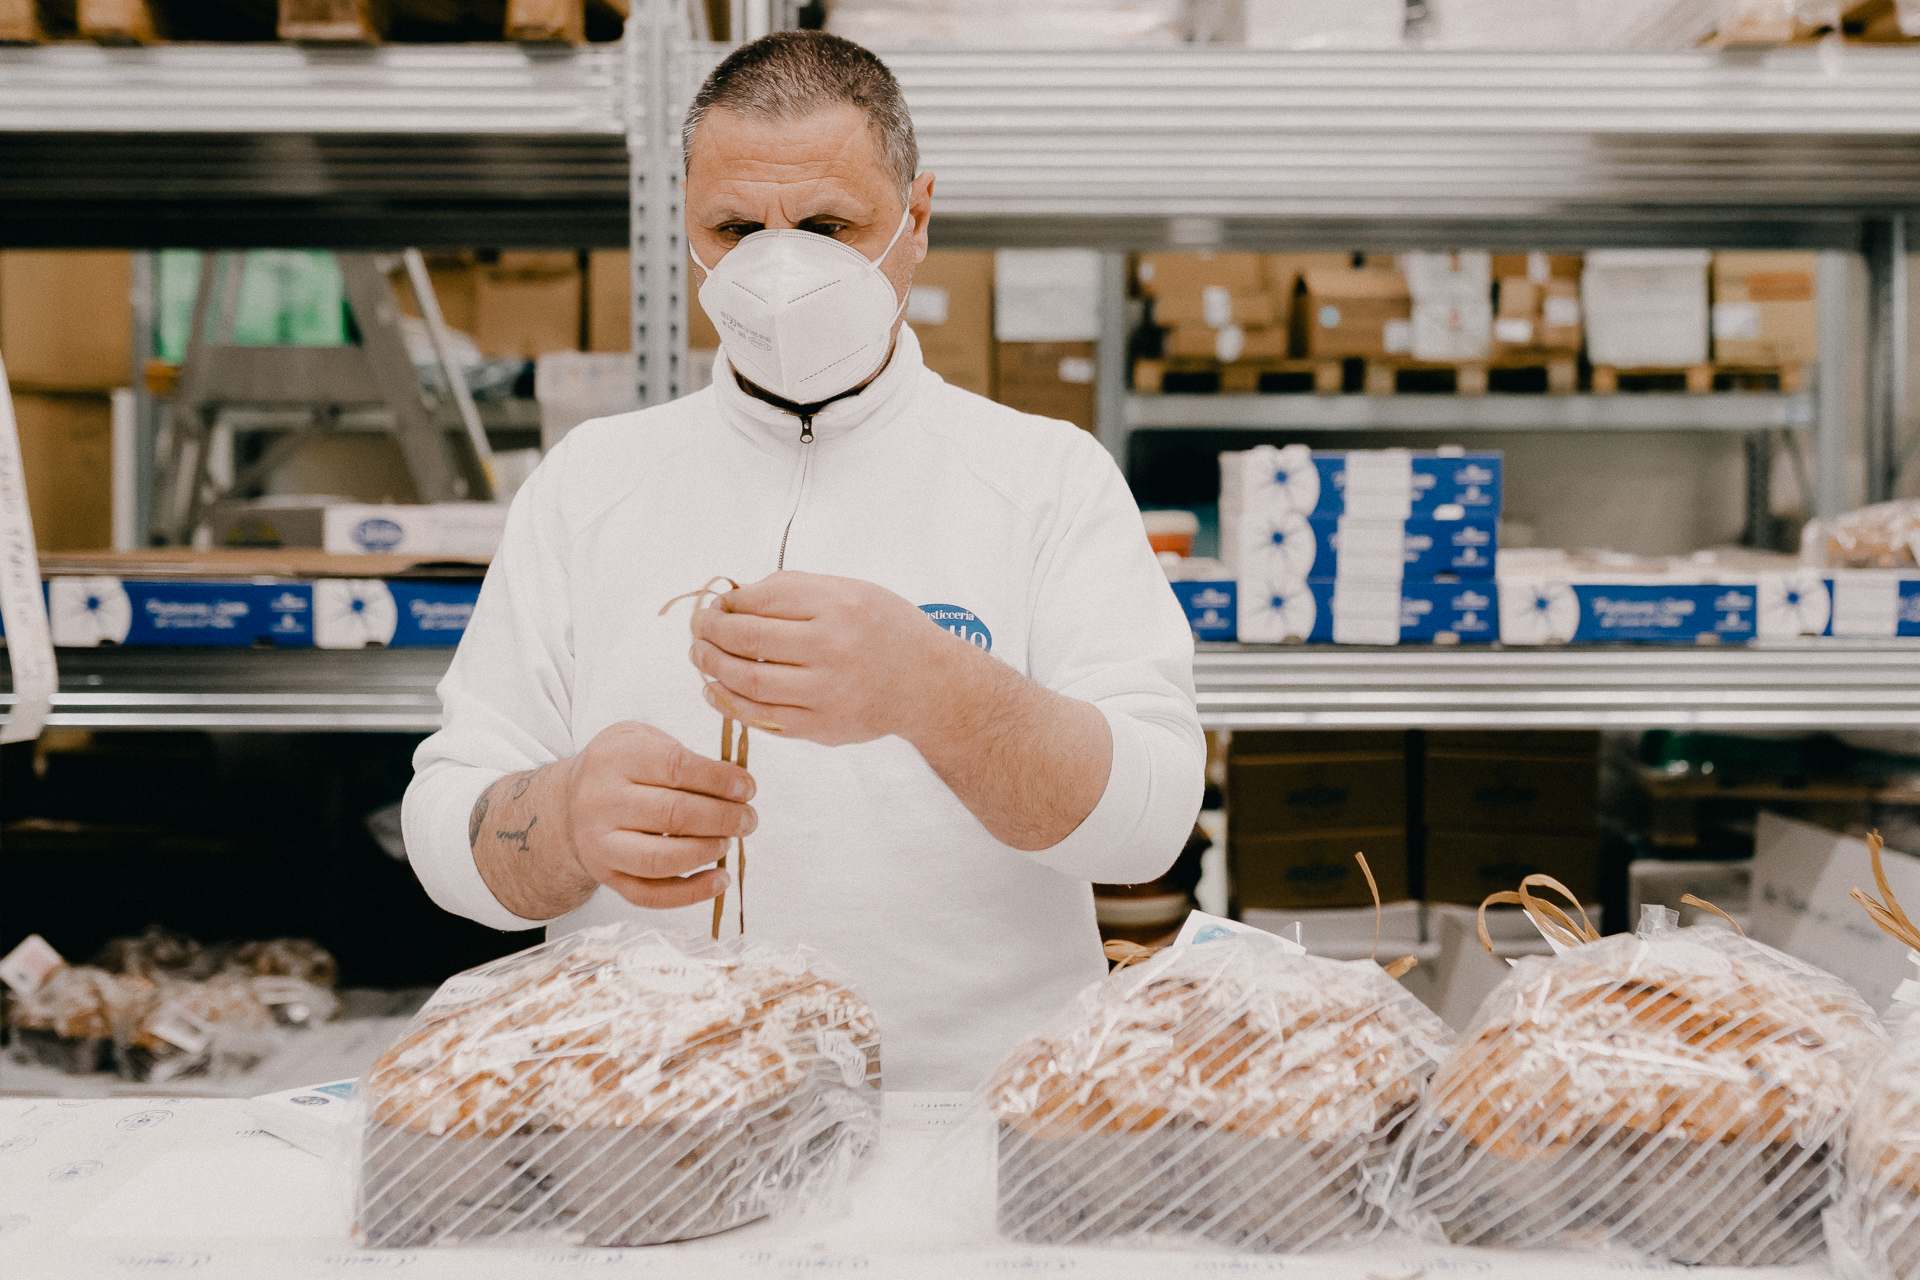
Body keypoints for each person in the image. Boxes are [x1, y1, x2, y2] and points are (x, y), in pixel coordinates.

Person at [402, 30, 1204, 1089]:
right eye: (737, 227)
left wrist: (938, 689)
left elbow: (1148, 821)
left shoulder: (1046, 477)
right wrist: (559, 819)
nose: (780, 270)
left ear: (915, 219)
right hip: (654, 1114)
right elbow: (446, 819)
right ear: (685, 228)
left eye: (830, 225)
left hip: (964, 1121)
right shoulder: (592, 482)